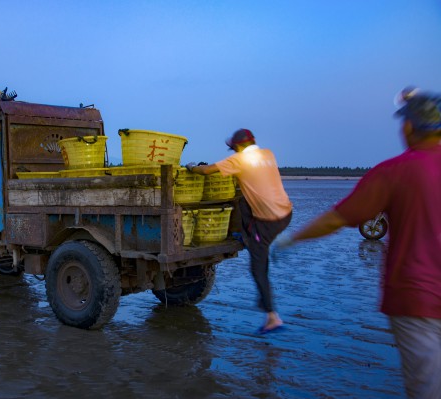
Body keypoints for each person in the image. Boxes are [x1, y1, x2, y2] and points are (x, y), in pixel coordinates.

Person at [276, 88, 441, 399]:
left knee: (428, 389)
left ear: (408, 126)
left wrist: (292, 238)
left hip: (416, 300)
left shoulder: (395, 171)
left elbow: (337, 218)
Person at [186, 128, 293, 333]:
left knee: (258, 269)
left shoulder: (239, 160)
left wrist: (192, 167)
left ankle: (272, 316)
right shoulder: (268, 154)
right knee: (243, 200)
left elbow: (207, 171)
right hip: (287, 214)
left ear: (236, 147)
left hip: (268, 222)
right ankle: (256, 239)